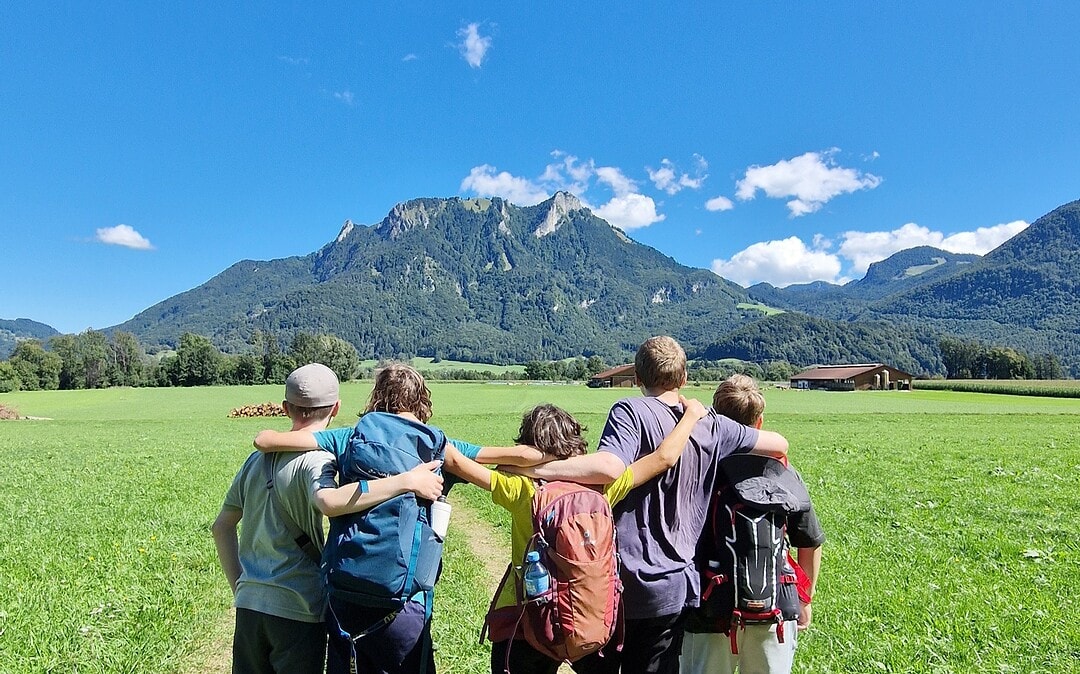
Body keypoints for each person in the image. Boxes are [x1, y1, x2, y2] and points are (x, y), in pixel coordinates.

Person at [511, 336, 789, 674]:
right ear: (683, 379)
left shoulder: (630, 411)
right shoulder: (711, 425)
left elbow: (607, 468)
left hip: (618, 583)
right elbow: (778, 443)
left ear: (638, 378)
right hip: (676, 588)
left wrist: (537, 469)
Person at [253, 363, 543, 674]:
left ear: (377, 398)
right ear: (421, 400)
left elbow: (265, 440)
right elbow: (521, 456)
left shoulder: (349, 437)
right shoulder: (436, 445)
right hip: (405, 603)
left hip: (344, 594)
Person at [443, 399, 709, 674]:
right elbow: (661, 459)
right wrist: (690, 415)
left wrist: (518, 459)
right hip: (586, 614)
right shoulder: (602, 488)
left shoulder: (522, 489)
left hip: (526, 618)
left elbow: (452, 458)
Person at [212, 363, 440, 674]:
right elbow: (329, 502)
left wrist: (240, 584)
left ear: (284, 408)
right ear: (336, 408)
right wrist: (405, 481)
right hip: (299, 606)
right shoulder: (319, 461)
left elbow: (221, 526)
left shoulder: (255, 461)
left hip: (250, 603)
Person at [681, 374, 825, 674]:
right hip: (776, 603)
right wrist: (804, 599)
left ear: (715, 418)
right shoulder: (783, 472)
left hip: (709, 606)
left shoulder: (698, 468)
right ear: (759, 422)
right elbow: (809, 541)